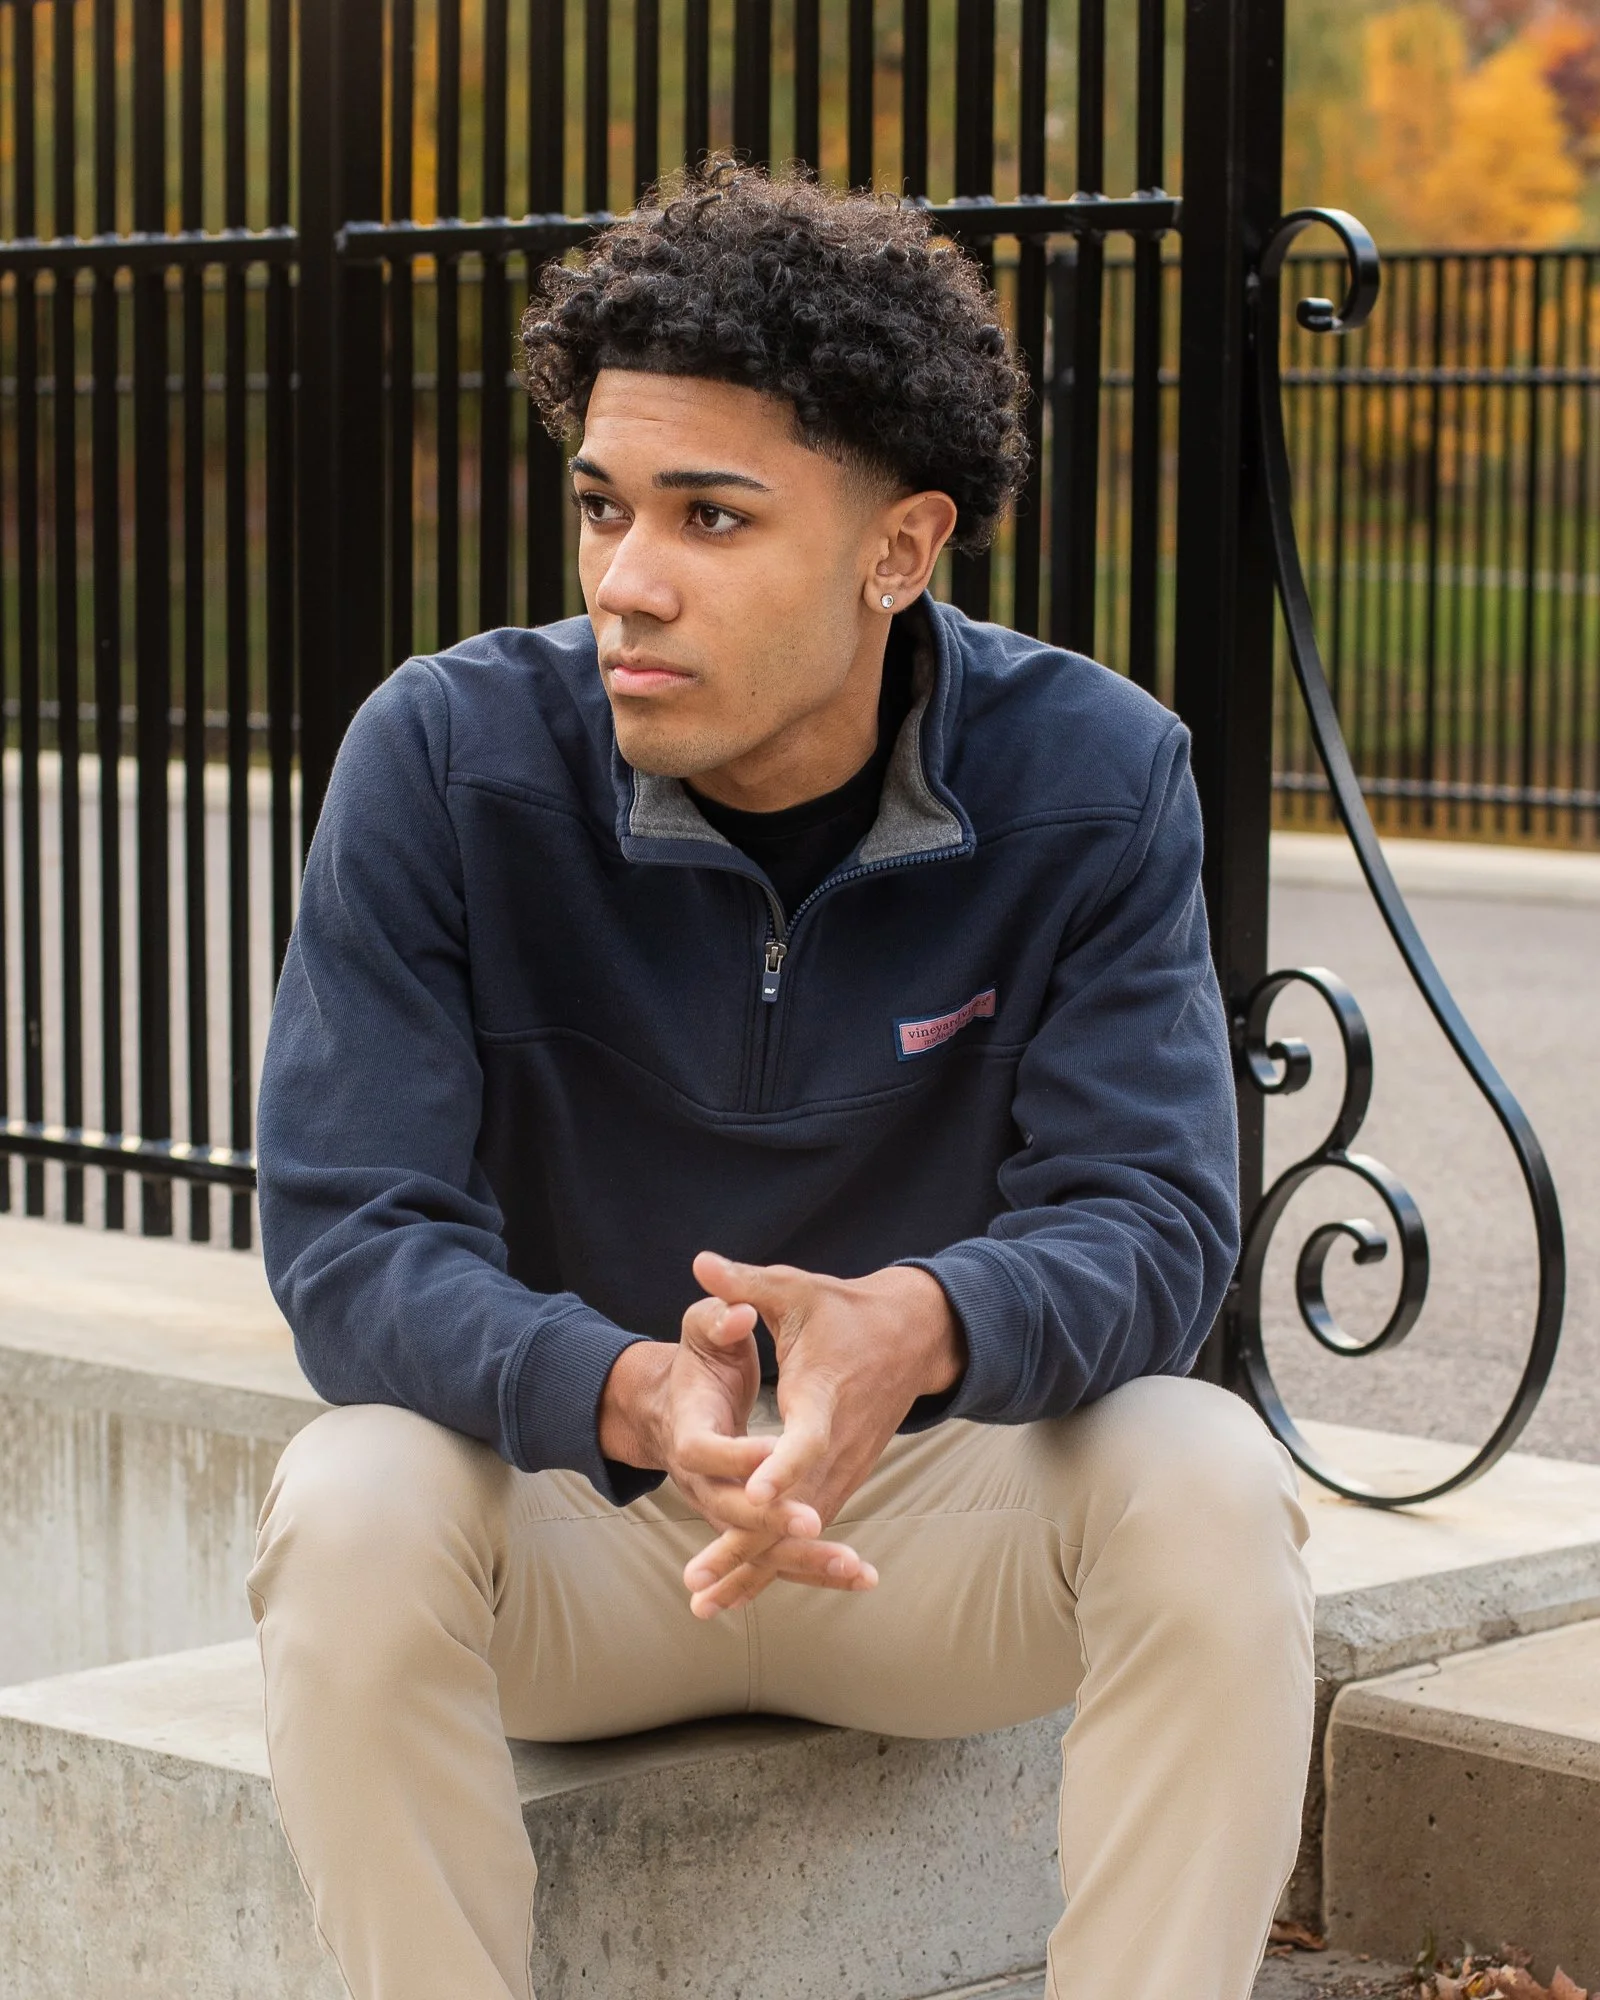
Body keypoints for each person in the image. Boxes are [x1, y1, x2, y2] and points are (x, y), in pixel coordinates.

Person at [249, 159, 1314, 2000]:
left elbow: (1152, 1217)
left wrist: (917, 1322)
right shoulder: (444, 757)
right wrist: (634, 1389)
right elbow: (353, 1234)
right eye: (603, 507)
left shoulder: (1101, 771)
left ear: (899, 551)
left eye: (712, 519)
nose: (624, 583)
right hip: (581, 1529)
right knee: (348, 1502)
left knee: (1207, 1474)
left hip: (919, 1546)